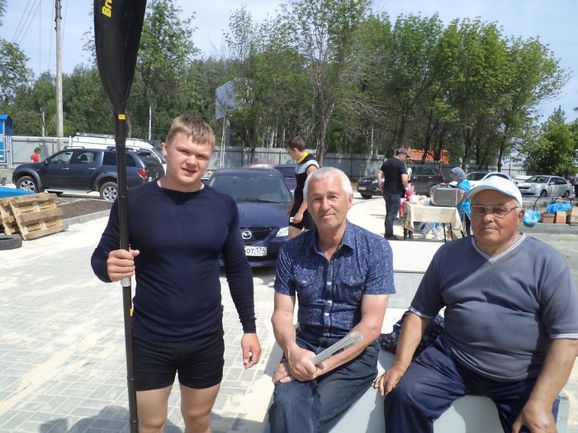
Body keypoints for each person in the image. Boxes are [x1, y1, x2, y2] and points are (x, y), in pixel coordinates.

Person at [91, 115, 261, 433]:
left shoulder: (222, 205)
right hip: (150, 338)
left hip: (205, 338)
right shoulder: (133, 202)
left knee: (198, 420)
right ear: (165, 148)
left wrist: (249, 328)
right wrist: (108, 267)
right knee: (151, 424)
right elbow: (100, 257)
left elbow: (238, 269)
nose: (192, 161)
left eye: (201, 156)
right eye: (184, 151)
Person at [374, 175, 578, 433]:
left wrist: (541, 402)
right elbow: (419, 314)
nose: (487, 217)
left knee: (535, 424)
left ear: (519, 216)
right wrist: (400, 366)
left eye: (498, 210)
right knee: (404, 395)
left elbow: (567, 338)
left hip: (522, 373)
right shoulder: (449, 254)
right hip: (454, 360)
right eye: (479, 209)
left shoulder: (546, 262)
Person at [268, 167, 395, 433]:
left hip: (353, 355)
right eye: (316, 199)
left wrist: (316, 367)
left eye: (333, 197)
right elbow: (282, 313)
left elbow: (371, 325)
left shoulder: (376, 249)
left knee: (304, 414)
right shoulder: (291, 251)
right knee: (286, 404)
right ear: (308, 206)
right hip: (305, 345)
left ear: (349, 200)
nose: (324, 205)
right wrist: (292, 352)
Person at [285, 136, 319, 239]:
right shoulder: (300, 164)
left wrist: (301, 212)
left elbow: (312, 191)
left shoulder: (311, 165)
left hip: (310, 208)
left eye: (289, 152)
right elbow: (299, 188)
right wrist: (292, 205)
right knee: (292, 237)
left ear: (295, 150)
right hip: (299, 204)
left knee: (311, 239)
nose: (290, 155)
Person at [377, 148, 409, 240]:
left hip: (386, 191)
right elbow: (404, 179)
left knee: (388, 213)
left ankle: (388, 233)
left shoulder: (387, 162)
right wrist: (406, 187)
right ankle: (389, 235)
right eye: (405, 156)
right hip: (395, 192)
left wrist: (380, 186)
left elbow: (379, 175)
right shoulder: (401, 164)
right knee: (392, 214)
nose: (405, 158)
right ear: (401, 154)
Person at [450, 166, 471, 236]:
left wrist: (452, 204)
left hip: (463, 210)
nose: (452, 177)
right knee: (466, 229)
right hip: (467, 208)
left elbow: (459, 199)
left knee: (464, 229)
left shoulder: (462, 185)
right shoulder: (465, 182)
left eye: (453, 175)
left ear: (458, 176)